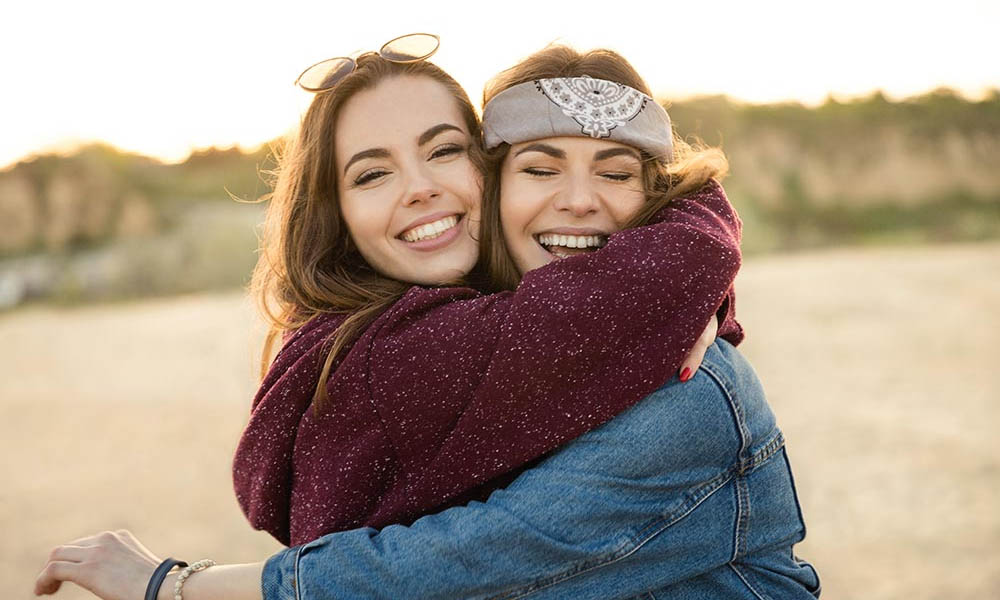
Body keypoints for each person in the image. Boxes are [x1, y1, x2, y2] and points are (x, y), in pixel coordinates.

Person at [35, 40, 818, 599]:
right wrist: (686, 266)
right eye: (372, 172)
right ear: (334, 212)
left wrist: (175, 585)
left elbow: (456, 565)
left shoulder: (686, 386)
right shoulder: (377, 356)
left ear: (475, 174)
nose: (419, 188)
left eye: (443, 151)